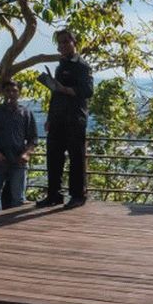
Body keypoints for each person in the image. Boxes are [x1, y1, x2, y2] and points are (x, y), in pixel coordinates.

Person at [36, 29, 94, 210]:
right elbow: (56, 95)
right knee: (53, 157)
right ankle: (54, 194)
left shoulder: (82, 65)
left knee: (76, 159)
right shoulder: (61, 65)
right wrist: (49, 117)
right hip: (58, 118)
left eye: (65, 42)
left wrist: (65, 89)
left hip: (75, 119)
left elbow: (88, 91)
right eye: (59, 43)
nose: (62, 46)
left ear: (74, 42)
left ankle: (78, 195)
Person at [0, 80, 38, 212]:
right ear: (3, 92)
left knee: (17, 199)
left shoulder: (26, 113)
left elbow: (33, 138)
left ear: (19, 93)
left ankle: (12, 229)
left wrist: (26, 154)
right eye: (8, 91)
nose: (11, 94)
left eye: (14, 91)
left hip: (18, 161)